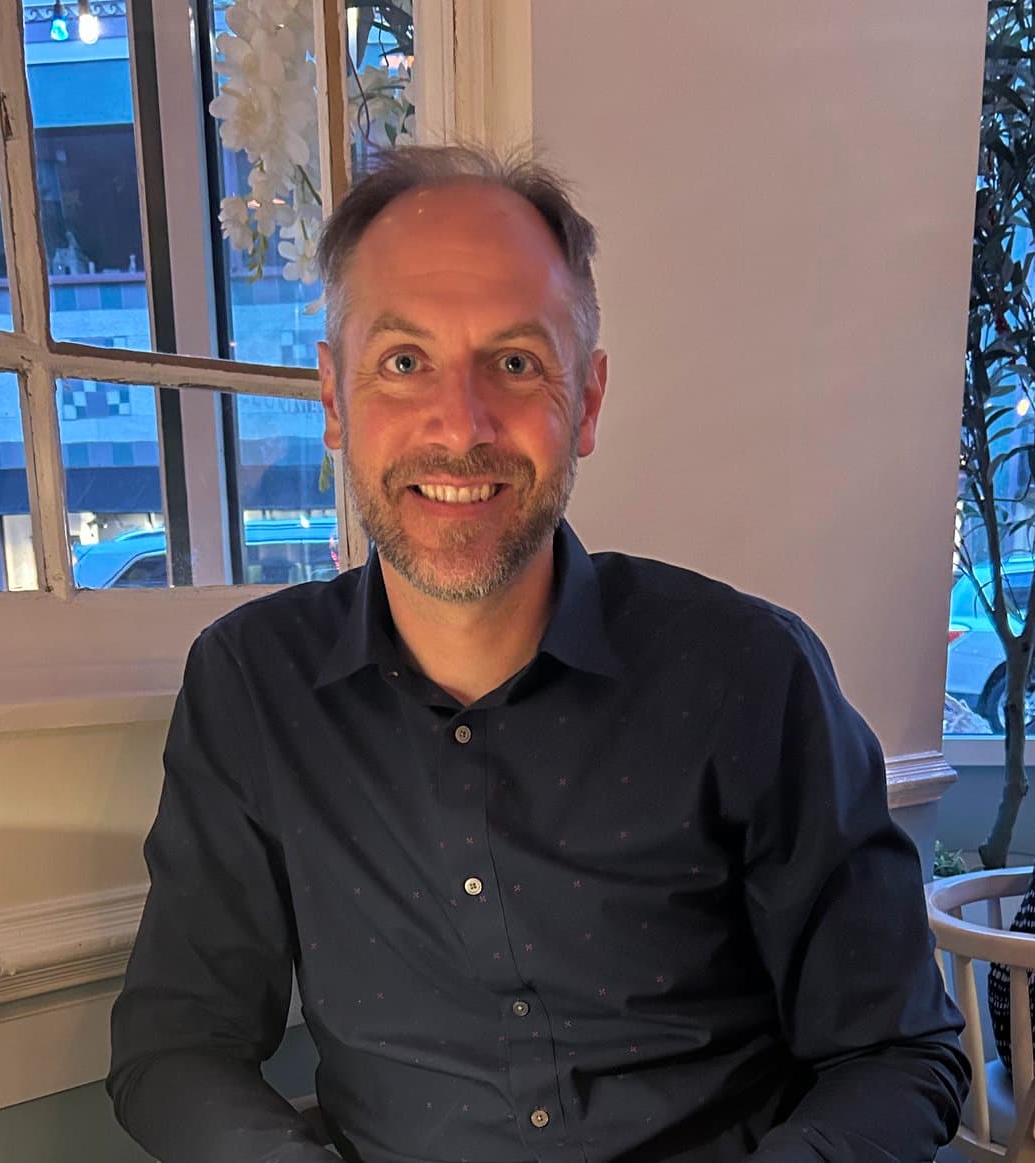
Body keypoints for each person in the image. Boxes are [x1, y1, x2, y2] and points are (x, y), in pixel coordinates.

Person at [108, 145, 969, 1163]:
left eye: (514, 362)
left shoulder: (749, 676)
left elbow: (896, 1052)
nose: (459, 426)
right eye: (402, 361)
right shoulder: (251, 686)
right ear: (335, 401)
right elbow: (177, 1044)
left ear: (586, 401)